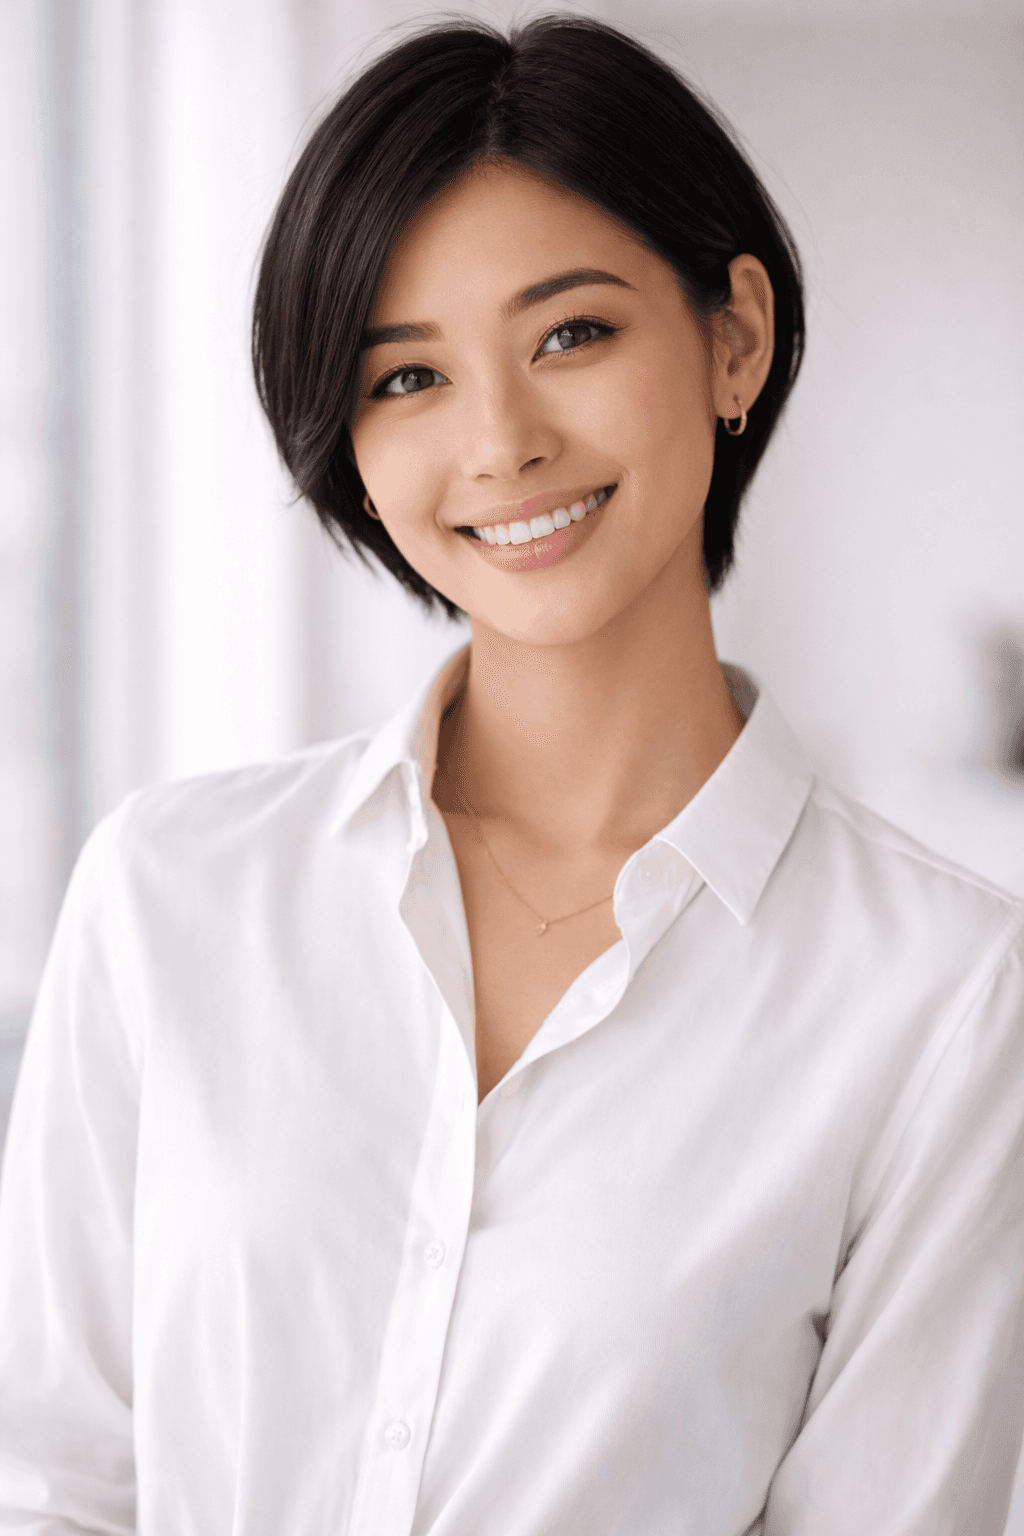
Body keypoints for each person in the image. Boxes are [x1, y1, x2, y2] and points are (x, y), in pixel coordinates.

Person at [1, 13, 1022, 1534]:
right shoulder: (169, 895)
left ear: (734, 335)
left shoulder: (946, 995)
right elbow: (59, 1482)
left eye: (571, 334)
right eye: (405, 379)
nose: (500, 443)